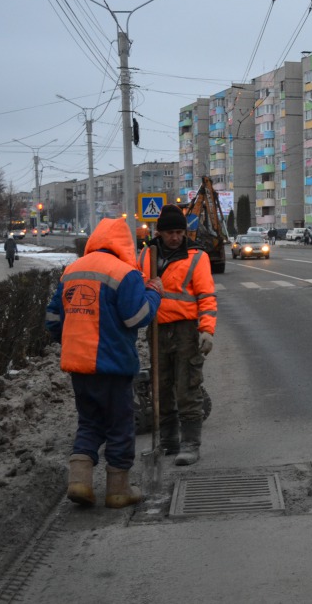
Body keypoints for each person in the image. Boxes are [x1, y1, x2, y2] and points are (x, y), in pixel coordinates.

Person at [45, 218, 162, 508]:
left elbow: (52, 319)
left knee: (89, 422)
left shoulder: (72, 271)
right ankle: (119, 489)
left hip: (79, 366)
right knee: (119, 425)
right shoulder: (125, 273)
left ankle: (80, 482)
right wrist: (154, 293)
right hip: (114, 365)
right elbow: (137, 317)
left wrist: (75, 338)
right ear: (124, 244)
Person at [138, 204, 217, 466]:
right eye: (170, 232)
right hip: (157, 328)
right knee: (161, 386)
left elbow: (206, 296)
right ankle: (168, 441)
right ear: (159, 233)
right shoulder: (145, 256)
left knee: (187, 386)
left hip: (185, 330)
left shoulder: (196, 257)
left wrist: (206, 330)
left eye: (179, 232)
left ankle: (190, 444)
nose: (175, 237)